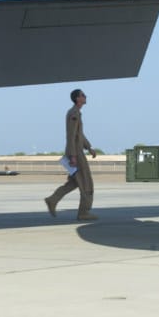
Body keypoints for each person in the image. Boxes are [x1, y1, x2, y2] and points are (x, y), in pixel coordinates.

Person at [44, 88, 98, 221]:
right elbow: (71, 135)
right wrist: (73, 156)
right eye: (83, 95)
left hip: (78, 151)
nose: (85, 96)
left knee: (74, 182)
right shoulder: (73, 113)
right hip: (76, 153)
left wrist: (89, 148)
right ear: (77, 99)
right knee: (86, 183)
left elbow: (79, 135)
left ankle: (53, 199)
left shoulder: (76, 113)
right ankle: (83, 212)